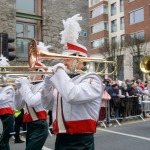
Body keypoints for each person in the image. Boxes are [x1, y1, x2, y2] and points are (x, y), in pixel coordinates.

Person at [41, 14, 103, 150]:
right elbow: (47, 104)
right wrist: (47, 82)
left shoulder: (93, 79)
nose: (64, 62)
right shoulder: (66, 81)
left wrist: (58, 72)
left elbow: (73, 95)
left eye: (67, 59)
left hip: (80, 140)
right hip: (61, 138)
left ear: (80, 59)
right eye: (63, 59)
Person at [14, 61, 49, 150]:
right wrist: (18, 90)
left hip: (39, 125)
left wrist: (24, 85)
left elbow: (32, 102)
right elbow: (18, 106)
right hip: (30, 125)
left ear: (41, 73)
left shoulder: (44, 87)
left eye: (33, 71)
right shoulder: (30, 87)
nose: (29, 74)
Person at [0, 56, 15, 150]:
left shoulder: (9, 88)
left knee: (3, 141)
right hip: (2, 115)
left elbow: (1, 99)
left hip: (7, 116)